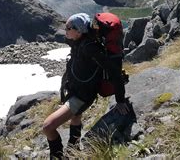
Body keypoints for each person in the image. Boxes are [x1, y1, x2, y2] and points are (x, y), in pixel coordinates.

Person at [42, 13, 129, 159]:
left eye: (68, 28)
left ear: (79, 31)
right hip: (76, 90)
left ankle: (57, 157)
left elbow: (114, 72)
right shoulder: (79, 41)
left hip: (82, 96)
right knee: (76, 117)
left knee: (48, 127)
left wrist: (120, 100)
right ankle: (73, 147)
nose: (65, 30)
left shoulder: (90, 48)